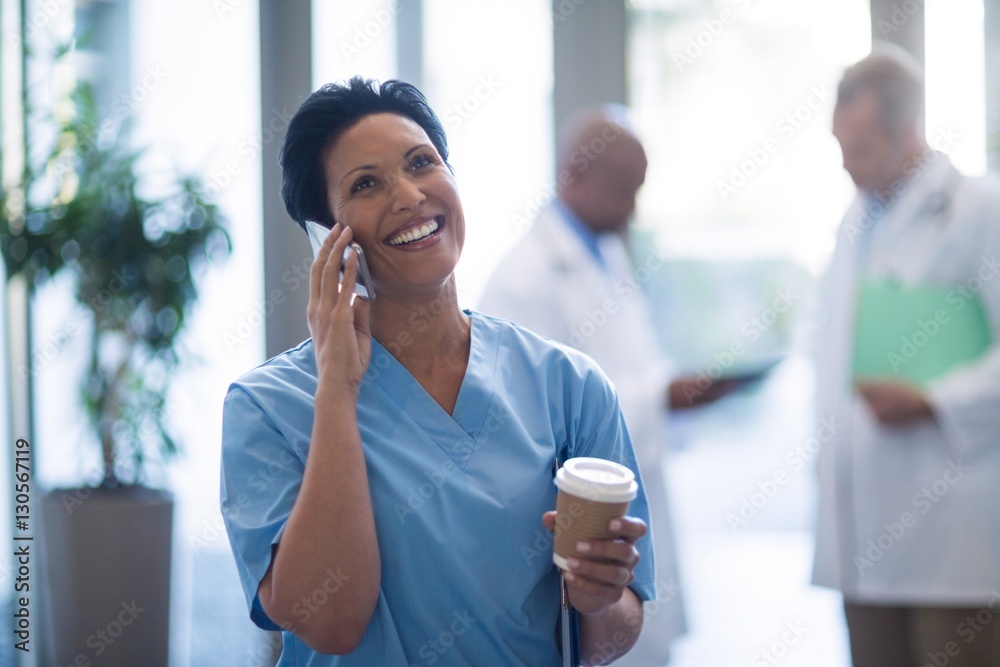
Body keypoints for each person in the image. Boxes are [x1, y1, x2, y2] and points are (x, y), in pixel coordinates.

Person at [220, 76, 658, 666]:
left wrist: (597, 599)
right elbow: (331, 625)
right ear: (327, 238)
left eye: (421, 163)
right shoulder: (268, 407)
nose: (408, 196)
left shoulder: (569, 388)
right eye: (366, 183)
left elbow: (612, 636)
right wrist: (337, 390)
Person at [478, 109, 736, 666]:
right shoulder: (523, 280)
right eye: (623, 190)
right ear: (575, 173)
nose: (633, 208)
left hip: (631, 498)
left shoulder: (607, 254)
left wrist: (668, 391)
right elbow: (532, 426)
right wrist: (660, 398)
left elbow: (622, 368)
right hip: (573, 530)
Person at [811, 45, 1000, 666]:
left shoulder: (978, 208)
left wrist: (934, 400)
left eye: (859, 150)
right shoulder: (854, 219)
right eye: (840, 149)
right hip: (862, 528)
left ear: (908, 130)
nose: (847, 167)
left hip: (951, 531)